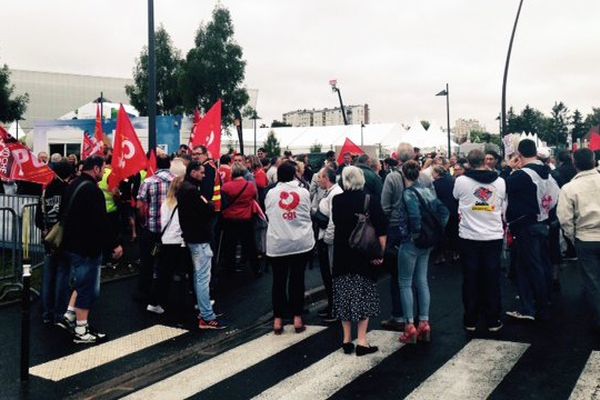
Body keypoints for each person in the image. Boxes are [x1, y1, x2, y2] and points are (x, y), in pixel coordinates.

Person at [57, 155, 123, 343]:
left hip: (71, 245)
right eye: (102, 169)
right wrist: (114, 244)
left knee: (81, 283)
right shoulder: (93, 191)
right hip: (87, 247)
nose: (103, 172)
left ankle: (70, 315)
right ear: (95, 169)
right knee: (88, 288)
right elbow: (100, 222)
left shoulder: (73, 185)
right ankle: (81, 330)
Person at [331, 166, 386, 355]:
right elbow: (381, 230)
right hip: (363, 255)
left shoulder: (336, 201)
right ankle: (362, 341)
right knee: (363, 296)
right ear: (361, 179)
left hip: (341, 255)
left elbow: (338, 224)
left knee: (344, 296)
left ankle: (346, 339)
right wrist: (380, 254)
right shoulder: (371, 200)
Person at [505, 139, 560, 321]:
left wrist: (509, 167)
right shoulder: (547, 172)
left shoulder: (522, 175)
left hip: (525, 225)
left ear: (519, 154)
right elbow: (555, 196)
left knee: (528, 266)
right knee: (540, 264)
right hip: (542, 221)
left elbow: (502, 187)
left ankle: (532, 307)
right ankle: (542, 301)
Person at [379, 143, 432, 331]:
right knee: (421, 279)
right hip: (424, 231)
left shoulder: (393, 177)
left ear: (398, 158)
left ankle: (401, 317)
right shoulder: (425, 178)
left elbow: (384, 206)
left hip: (399, 231)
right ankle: (423, 320)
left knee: (400, 278)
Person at [453, 150, 506, 332]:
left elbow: (456, 197)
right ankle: (493, 319)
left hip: (469, 236)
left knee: (470, 278)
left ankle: (471, 319)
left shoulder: (461, 181)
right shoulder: (500, 182)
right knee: (492, 278)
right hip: (493, 235)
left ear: (468, 162)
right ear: (485, 161)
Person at [398, 161, 449, 344]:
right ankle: (424, 322)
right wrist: (435, 231)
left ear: (403, 174)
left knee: (405, 283)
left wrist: (416, 234)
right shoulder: (428, 191)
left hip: (412, 242)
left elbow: (413, 216)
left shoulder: (408, 193)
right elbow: (444, 212)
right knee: (421, 280)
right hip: (427, 242)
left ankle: (409, 325)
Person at [265, 161, 314, 334]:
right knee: (297, 280)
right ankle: (297, 317)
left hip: (278, 244)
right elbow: (307, 213)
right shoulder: (303, 192)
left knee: (278, 281)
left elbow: (269, 213)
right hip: (300, 242)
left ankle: (278, 320)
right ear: (294, 174)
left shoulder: (271, 194)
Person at [178, 161, 227, 329]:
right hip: (199, 239)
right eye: (201, 172)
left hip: (193, 237)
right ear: (193, 173)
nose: (204, 175)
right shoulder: (192, 191)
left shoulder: (186, 189)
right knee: (202, 278)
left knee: (199, 276)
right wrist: (210, 206)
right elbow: (206, 211)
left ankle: (204, 311)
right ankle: (206, 316)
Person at [557, 148, 600, 334]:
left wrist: (572, 237)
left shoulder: (569, 188)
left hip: (586, 237)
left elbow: (564, 218)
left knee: (593, 283)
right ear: (594, 161)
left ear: (574, 164)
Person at [36, 160, 72, 324]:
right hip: (64, 239)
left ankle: (46, 313)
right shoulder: (68, 190)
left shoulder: (45, 190)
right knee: (63, 275)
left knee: (49, 275)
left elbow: (37, 218)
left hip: (48, 239)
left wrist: (45, 229)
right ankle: (60, 313)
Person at [136, 154, 175, 301]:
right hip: (170, 230)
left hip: (152, 228)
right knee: (166, 262)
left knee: (148, 260)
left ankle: (144, 290)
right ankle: (164, 292)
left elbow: (140, 206)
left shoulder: (148, 182)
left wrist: (143, 221)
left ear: (156, 165)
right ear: (169, 164)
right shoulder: (177, 182)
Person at [146, 176, 185, 316]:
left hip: (165, 239)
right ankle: (157, 302)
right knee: (173, 273)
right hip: (177, 241)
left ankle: (156, 300)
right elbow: (179, 225)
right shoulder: (181, 203)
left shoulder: (166, 202)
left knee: (164, 272)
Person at [221, 163, 260, 276]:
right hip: (246, 219)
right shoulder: (250, 186)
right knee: (250, 245)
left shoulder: (226, 187)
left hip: (230, 219)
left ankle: (229, 269)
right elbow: (255, 199)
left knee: (230, 246)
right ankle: (255, 268)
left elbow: (223, 203)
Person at [314, 167, 343, 322]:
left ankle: (335, 307)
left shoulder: (335, 193)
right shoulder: (330, 192)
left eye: (320, 177)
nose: (318, 180)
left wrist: (327, 240)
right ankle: (331, 303)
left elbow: (333, 220)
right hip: (325, 238)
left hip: (328, 240)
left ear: (326, 178)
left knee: (331, 275)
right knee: (327, 275)